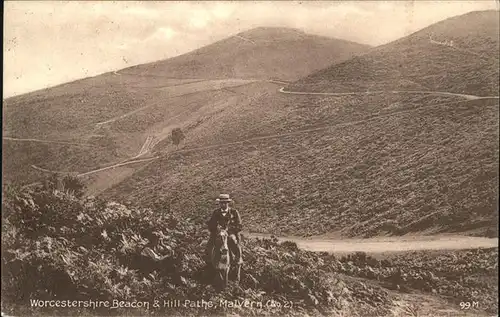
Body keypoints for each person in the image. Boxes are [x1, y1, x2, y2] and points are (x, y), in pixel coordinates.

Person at [205, 194, 243, 266]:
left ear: (228, 203)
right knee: (209, 244)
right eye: (221, 203)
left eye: (225, 203)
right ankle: (209, 262)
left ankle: (238, 259)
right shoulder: (216, 212)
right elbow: (211, 224)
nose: (223, 204)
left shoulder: (234, 212)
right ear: (219, 203)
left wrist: (229, 230)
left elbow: (239, 225)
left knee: (233, 240)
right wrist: (216, 228)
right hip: (218, 233)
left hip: (230, 233)